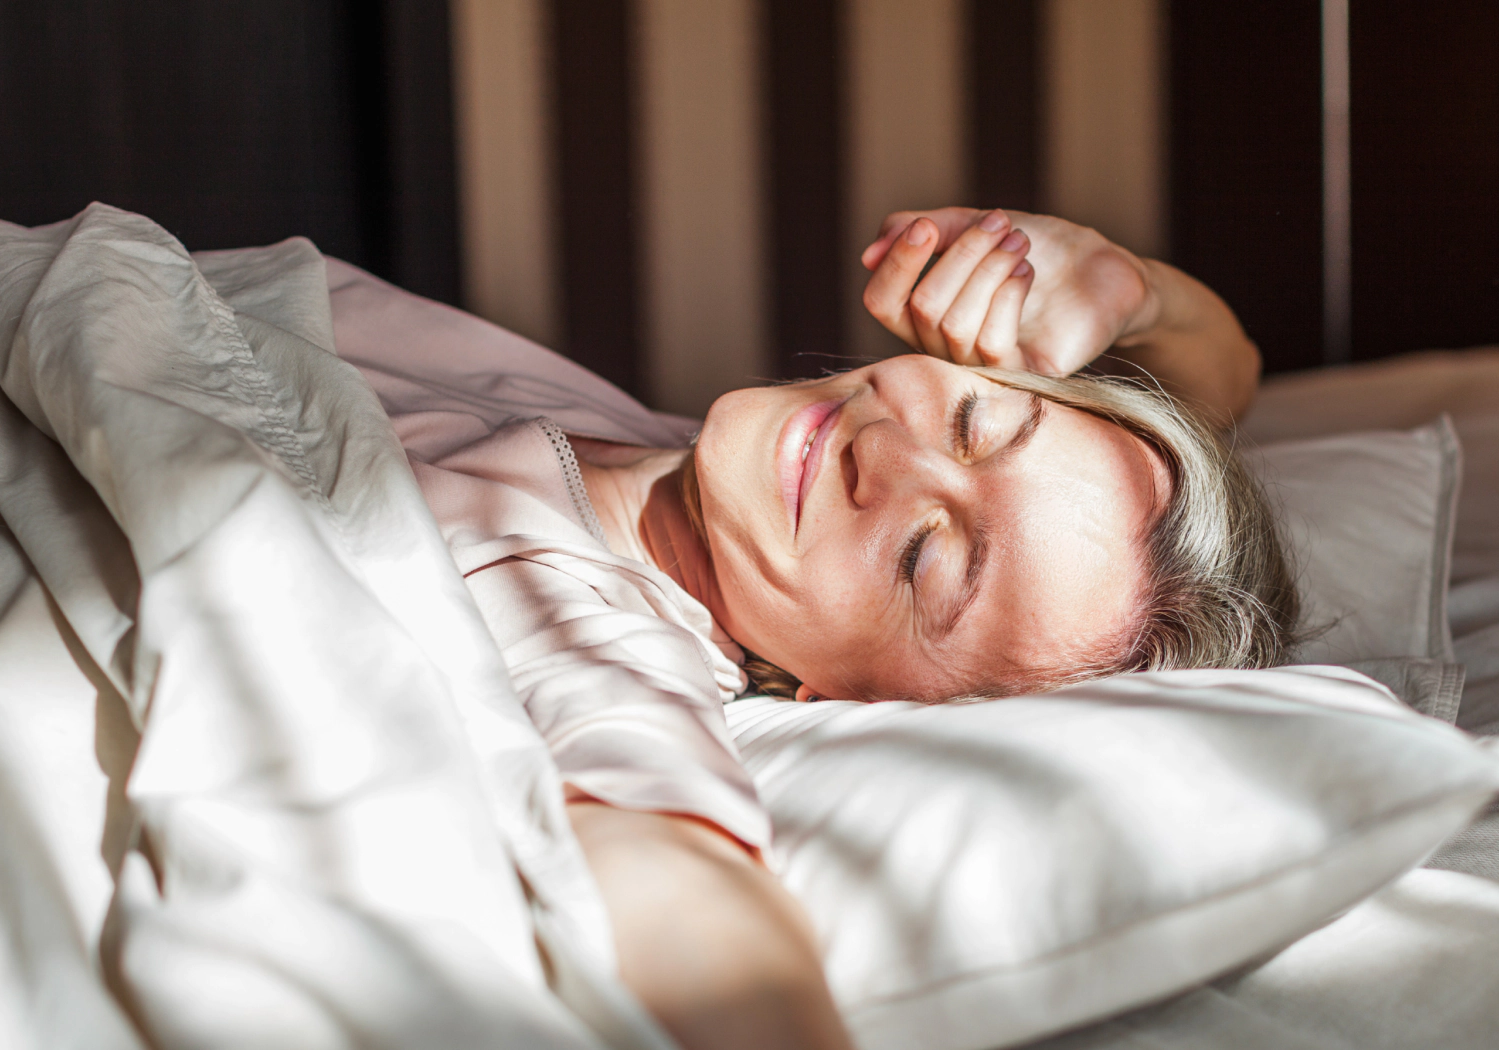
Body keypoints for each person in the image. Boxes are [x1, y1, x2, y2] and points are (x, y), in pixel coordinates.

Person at [356, 207, 1296, 1050]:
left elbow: (690, 901)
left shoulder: (585, 638)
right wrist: (1125, 291)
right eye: (976, 419)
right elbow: (1223, 383)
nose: (884, 450)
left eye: (923, 559)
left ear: (862, 703)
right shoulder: (709, 477)